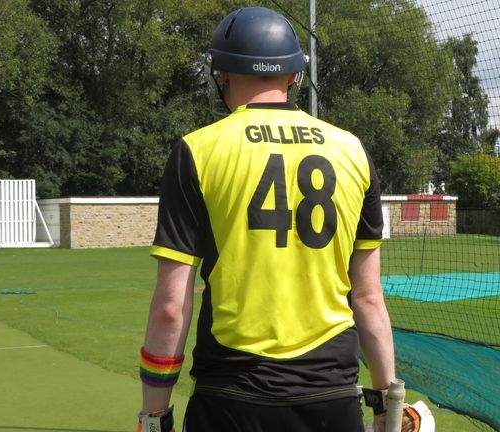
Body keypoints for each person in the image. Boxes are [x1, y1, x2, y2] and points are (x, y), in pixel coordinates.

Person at [137, 6, 395, 432]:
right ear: (294, 75)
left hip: (231, 398)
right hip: (331, 397)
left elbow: (170, 308)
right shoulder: (352, 150)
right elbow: (367, 298)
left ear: (221, 74)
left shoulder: (197, 150)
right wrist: (387, 400)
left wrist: (153, 415)